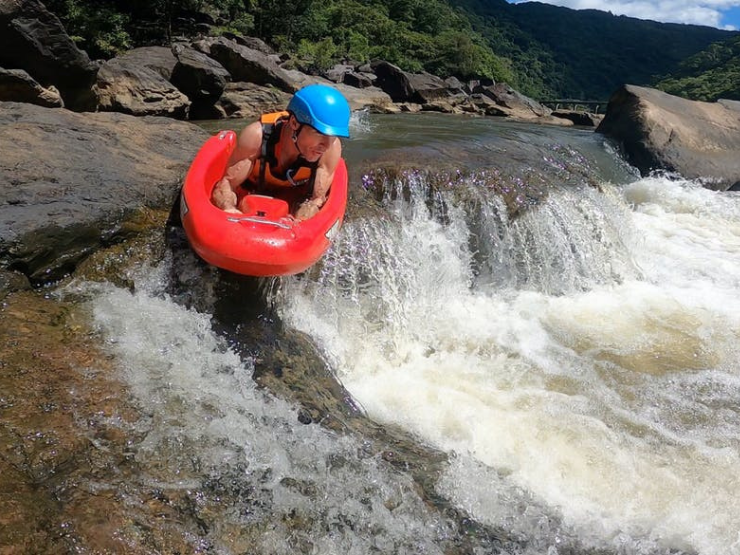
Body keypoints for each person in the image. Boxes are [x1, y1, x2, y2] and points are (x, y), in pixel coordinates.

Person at [211, 84, 351, 221]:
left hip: (292, 196)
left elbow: (316, 200)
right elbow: (226, 184)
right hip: (251, 192)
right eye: (319, 133)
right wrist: (229, 209)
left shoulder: (331, 149)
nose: (326, 145)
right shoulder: (257, 137)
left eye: (333, 136)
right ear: (295, 123)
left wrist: (299, 223)